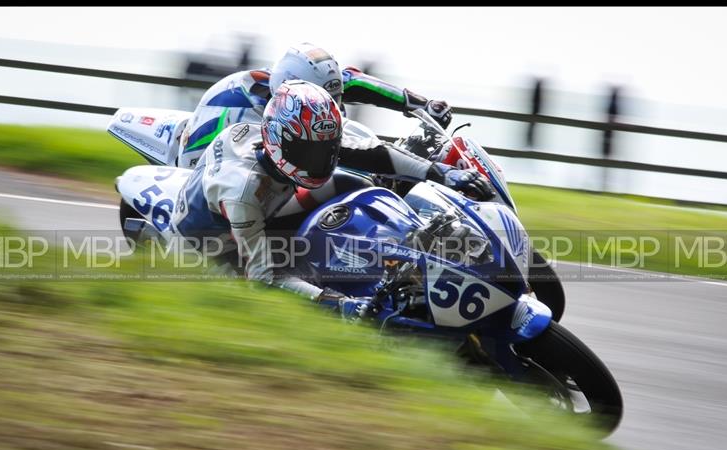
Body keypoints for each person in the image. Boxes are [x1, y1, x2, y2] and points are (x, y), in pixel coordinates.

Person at [171, 80, 492, 321]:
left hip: (269, 207)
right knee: (294, 306)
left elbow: (376, 155)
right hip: (212, 250)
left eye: (328, 147)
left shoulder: (299, 139)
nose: (321, 158)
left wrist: (441, 173)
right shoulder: (243, 192)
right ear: (280, 141)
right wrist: (338, 304)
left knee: (356, 184)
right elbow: (264, 278)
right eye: (311, 151)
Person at [177, 42, 453, 169]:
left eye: (335, 98)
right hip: (207, 162)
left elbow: (355, 80)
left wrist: (421, 104)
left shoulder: (309, 86)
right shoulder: (247, 111)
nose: (330, 106)